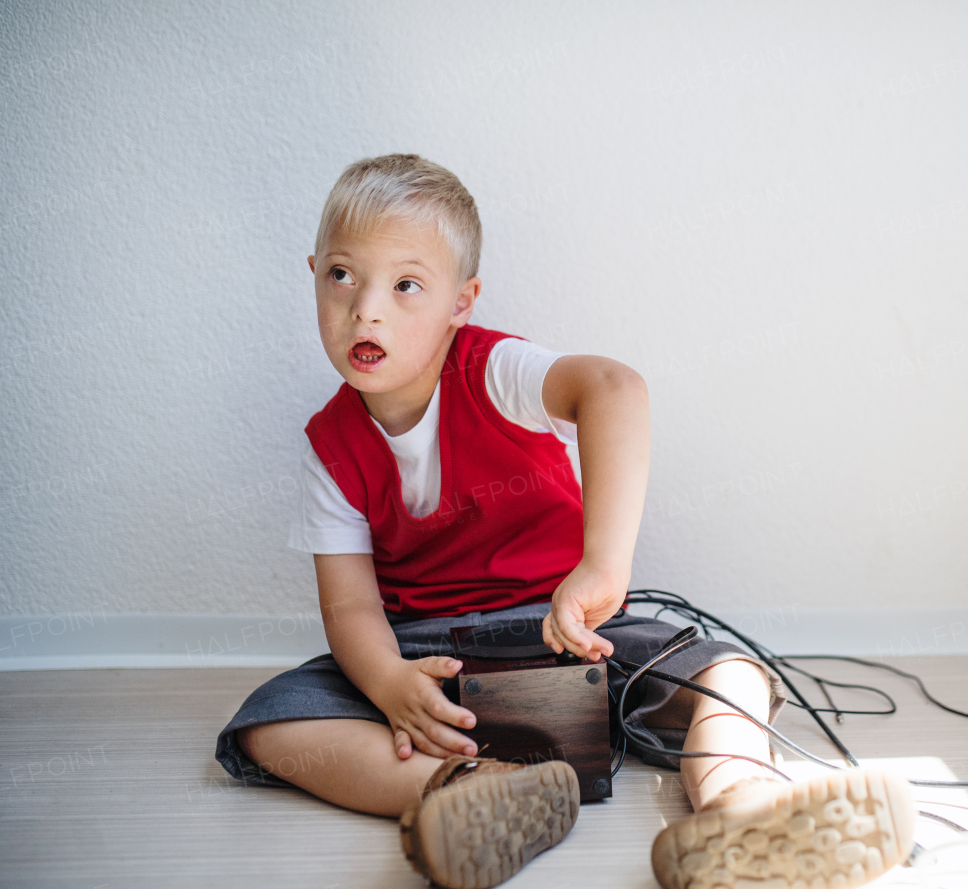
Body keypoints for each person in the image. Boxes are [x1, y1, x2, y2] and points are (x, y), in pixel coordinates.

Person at [214, 154, 915, 889]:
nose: (366, 309)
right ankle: (471, 788)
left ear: (462, 301)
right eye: (341, 276)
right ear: (313, 271)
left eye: (406, 285)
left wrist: (603, 567)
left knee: (727, 673)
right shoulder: (330, 446)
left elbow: (614, 388)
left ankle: (743, 808)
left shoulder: (491, 370)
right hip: (433, 659)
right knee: (270, 723)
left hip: (565, 631)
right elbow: (352, 604)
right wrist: (389, 682)